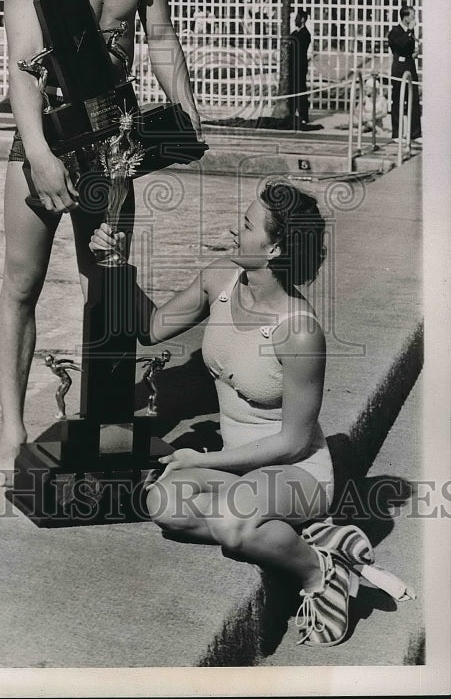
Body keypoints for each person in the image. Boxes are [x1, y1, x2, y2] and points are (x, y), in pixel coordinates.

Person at [90, 180, 413, 646]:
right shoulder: (220, 278)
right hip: (242, 470)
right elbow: (151, 329)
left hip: (297, 472)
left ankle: (320, 572)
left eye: (245, 225)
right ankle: (311, 537)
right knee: (163, 505)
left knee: (231, 523)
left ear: (275, 247)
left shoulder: (298, 332)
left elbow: (293, 442)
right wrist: (117, 265)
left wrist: (202, 459)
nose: (232, 230)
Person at [0, 0, 202, 486]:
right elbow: (23, 70)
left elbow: (159, 36)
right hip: (46, 132)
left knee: (103, 281)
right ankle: (13, 431)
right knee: (22, 283)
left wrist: (184, 105)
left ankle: (100, 422)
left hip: (115, 138)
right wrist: (40, 156)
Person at [387, 5, 422, 142]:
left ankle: (415, 133)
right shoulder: (395, 31)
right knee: (398, 99)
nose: (414, 18)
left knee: (413, 98)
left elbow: (408, 47)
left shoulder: (409, 32)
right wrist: (409, 31)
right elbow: (400, 45)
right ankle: (397, 133)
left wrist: (414, 52)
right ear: (405, 17)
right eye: (412, 15)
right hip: (399, 67)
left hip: (410, 65)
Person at [286, 8, 312, 130]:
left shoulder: (305, 34)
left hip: (300, 66)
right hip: (293, 66)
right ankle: (292, 113)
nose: (295, 20)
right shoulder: (296, 33)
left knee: (301, 90)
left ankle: (303, 115)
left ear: (302, 19)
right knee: (292, 89)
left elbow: (296, 46)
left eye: (298, 18)